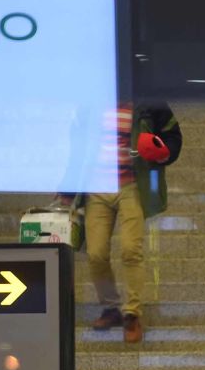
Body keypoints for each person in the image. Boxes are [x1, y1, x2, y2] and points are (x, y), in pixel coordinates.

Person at [60, 101, 182, 344]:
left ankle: (132, 313)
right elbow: (78, 149)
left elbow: (172, 136)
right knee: (96, 253)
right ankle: (111, 307)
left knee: (131, 250)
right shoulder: (90, 104)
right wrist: (67, 186)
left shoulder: (148, 102)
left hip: (132, 186)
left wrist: (162, 152)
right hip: (97, 188)